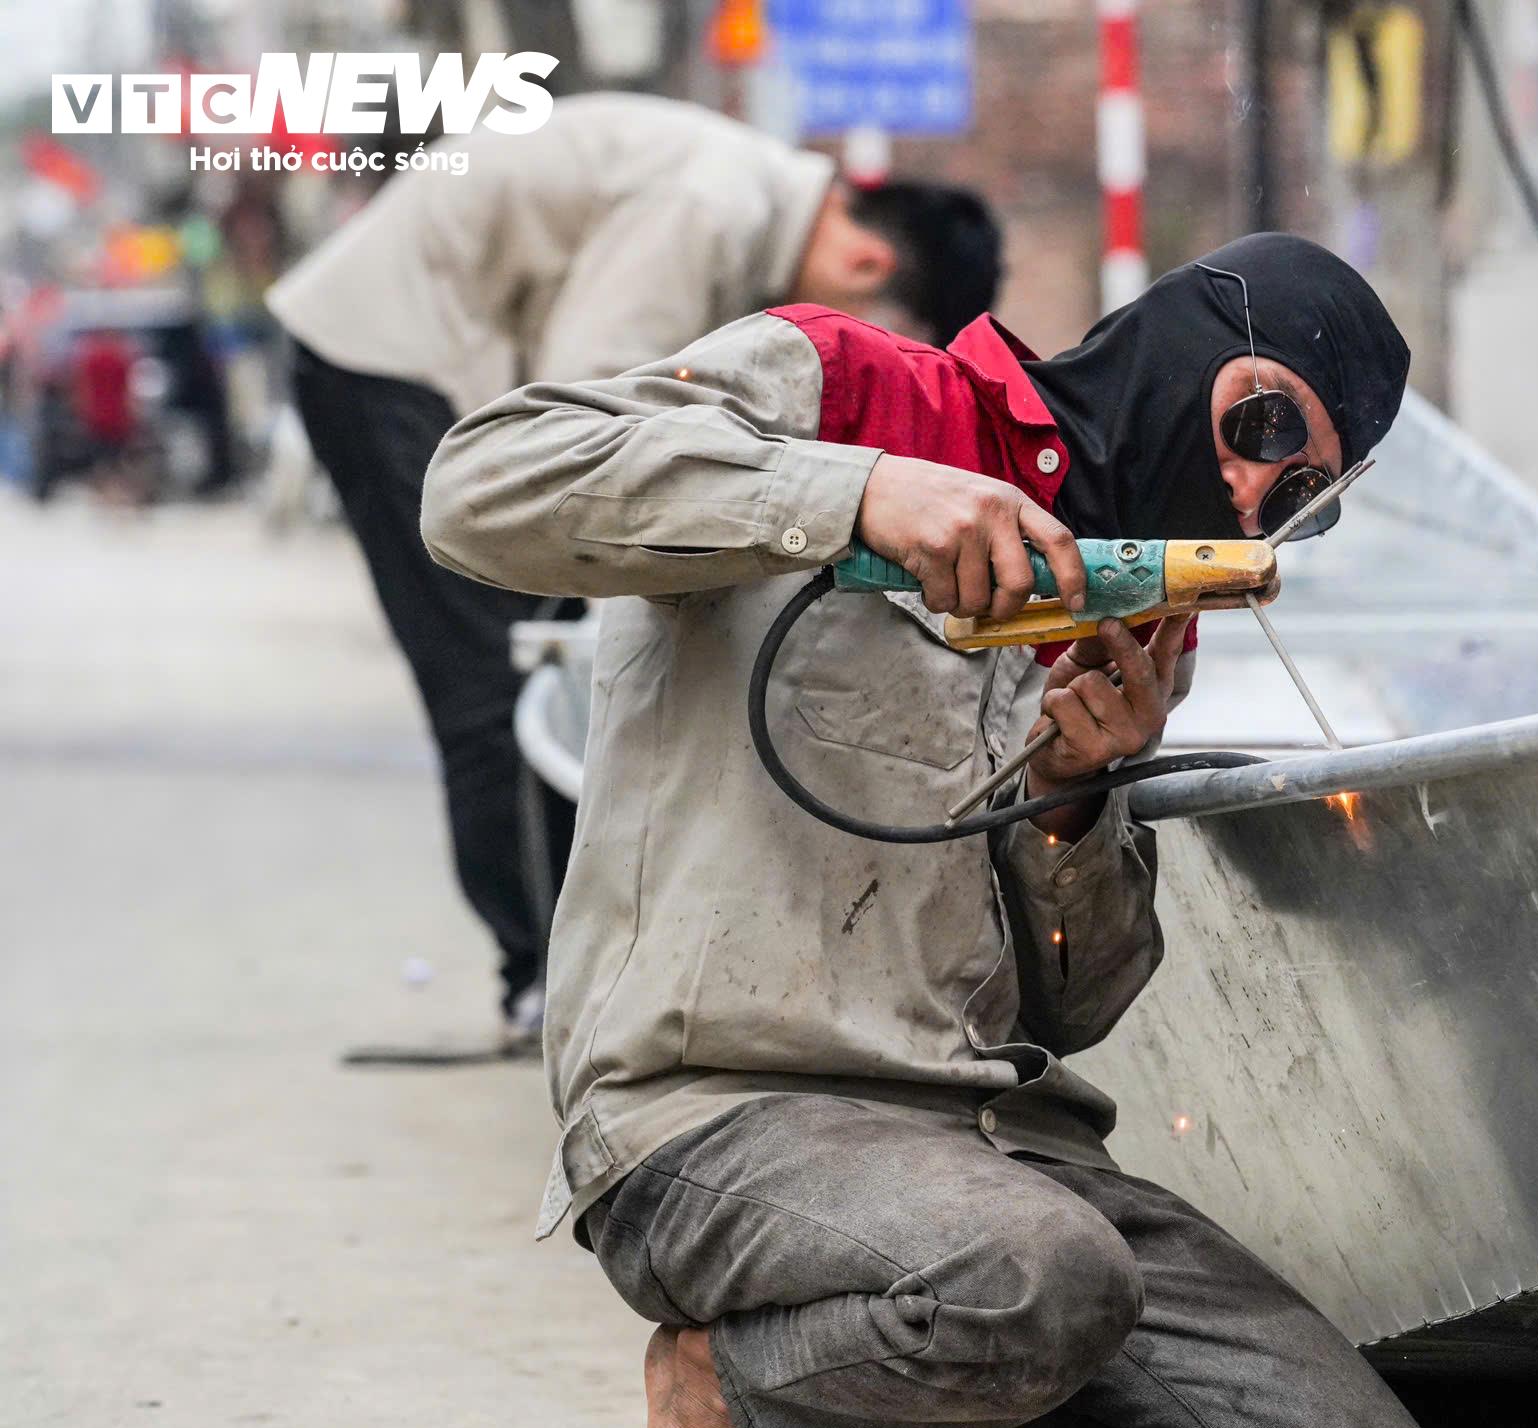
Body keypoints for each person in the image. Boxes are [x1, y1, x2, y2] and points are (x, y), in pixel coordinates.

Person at [419, 232, 1445, 1428]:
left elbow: (1072, 1007)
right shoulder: (852, 388)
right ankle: (707, 1392)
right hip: (716, 1113)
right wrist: (859, 496)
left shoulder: (1144, 610)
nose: (1260, 490)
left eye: (1306, 496)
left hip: (988, 1150)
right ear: (1182, 351)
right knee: (1040, 1274)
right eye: (1264, 428)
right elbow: (478, 487)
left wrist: (1078, 797)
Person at [269, 93, 1002, 1046]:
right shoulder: (710, 207)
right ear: (864, 265)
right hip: (390, 357)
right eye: (873, 336)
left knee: (543, 653)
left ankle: (564, 964)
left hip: (436, 357)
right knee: (500, 676)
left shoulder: (745, 198)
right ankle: (546, 980)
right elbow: (594, 420)